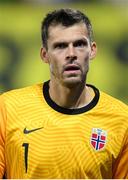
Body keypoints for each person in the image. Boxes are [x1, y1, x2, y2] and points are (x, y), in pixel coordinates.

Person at [0, 8, 128, 179]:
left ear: (93, 50)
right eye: (60, 46)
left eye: (79, 44)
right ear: (45, 55)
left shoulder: (121, 119)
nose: (71, 54)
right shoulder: (8, 108)